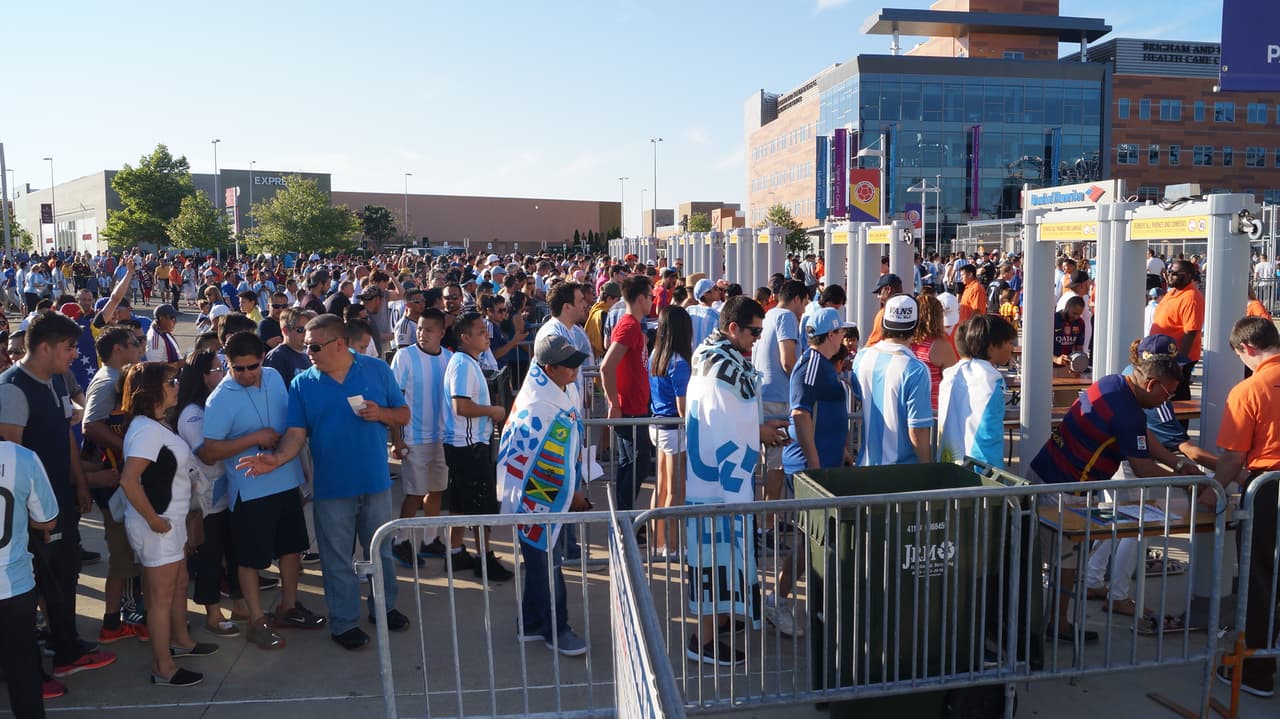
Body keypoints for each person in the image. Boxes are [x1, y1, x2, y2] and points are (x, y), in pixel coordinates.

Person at [236, 314, 411, 651]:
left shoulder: (376, 369)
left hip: (375, 482)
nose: (308, 350)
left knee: (381, 553)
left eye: (314, 345)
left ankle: (384, 608)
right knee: (336, 560)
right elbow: (295, 435)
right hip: (331, 489)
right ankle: (344, 623)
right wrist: (276, 459)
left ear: (339, 344)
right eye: (305, 343)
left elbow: (403, 414)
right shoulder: (303, 384)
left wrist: (383, 415)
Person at [1028, 334, 1191, 640]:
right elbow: (1142, 466)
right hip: (1064, 487)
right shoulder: (1127, 412)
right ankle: (1055, 624)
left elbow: (1143, 436)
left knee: (1054, 558)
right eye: (1167, 395)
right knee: (1065, 561)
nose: (1166, 402)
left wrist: (1180, 465)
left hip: (1047, 472)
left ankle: (1046, 621)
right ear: (1152, 384)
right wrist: (1188, 484)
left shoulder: (1113, 383)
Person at [0, 312, 117, 681]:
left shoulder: (58, 381)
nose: (74, 355)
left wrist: (80, 483)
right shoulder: (13, 389)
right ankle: (46, 660)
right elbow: (10, 459)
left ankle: (66, 644)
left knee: (64, 575)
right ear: (45, 347)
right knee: (39, 582)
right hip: (32, 516)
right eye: (69, 348)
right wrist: (32, 517)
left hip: (60, 501)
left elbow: (67, 436)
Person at [683, 296, 789, 666]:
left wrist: (759, 428)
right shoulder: (720, 364)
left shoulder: (712, 355)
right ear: (733, 329)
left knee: (723, 557)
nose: (758, 339)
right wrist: (760, 431)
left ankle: (720, 621)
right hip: (716, 482)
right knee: (717, 557)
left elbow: (732, 414)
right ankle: (703, 640)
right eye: (753, 332)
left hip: (714, 476)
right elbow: (727, 418)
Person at [203, 332, 323, 651]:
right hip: (250, 491)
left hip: (286, 480)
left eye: (251, 366)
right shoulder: (219, 398)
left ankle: (288, 607)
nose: (245, 374)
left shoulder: (273, 377)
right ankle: (257, 621)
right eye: (236, 368)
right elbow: (209, 451)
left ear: (262, 360)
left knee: (291, 549)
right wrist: (254, 437)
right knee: (250, 559)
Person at [117, 362, 217, 687]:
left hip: (170, 522)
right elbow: (129, 481)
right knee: (160, 597)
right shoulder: (146, 429)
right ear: (151, 391)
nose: (177, 385)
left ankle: (182, 641)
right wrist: (154, 520)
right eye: (171, 381)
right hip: (157, 526)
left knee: (177, 585)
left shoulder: (157, 425)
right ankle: (163, 666)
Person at [496, 333, 592, 657]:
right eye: (568, 366)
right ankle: (556, 628)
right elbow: (542, 460)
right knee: (547, 564)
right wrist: (572, 494)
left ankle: (532, 622)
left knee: (541, 561)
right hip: (538, 495)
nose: (575, 370)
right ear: (549, 367)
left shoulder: (552, 388)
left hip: (544, 493)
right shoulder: (540, 403)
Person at [1201, 317, 1280, 697]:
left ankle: (1256, 672)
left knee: (1260, 580)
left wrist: (1210, 493)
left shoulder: (1249, 390)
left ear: (1247, 350)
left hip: (1268, 490)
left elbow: (1232, 459)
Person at [774, 307, 851, 636]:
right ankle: (777, 601)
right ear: (831, 335)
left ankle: (795, 601)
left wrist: (842, 451)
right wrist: (815, 462)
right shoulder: (812, 365)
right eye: (840, 333)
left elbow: (824, 413)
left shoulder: (820, 365)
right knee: (808, 541)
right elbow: (800, 413)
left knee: (816, 540)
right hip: (810, 468)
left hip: (823, 464)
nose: (843, 338)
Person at [81, 326, 148, 645]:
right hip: (114, 483)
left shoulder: (119, 377)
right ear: (119, 350)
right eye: (135, 343)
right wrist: (130, 449)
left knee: (133, 554)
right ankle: (115, 621)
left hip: (122, 479)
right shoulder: (109, 380)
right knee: (123, 556)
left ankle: (131, 613)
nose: (141, 347)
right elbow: (91, 426)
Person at [174, 349, 245, 639]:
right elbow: (208, 455)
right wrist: (246, 439)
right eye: (217, 369)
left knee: (235, 551)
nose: (222, 373)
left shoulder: (216, 403)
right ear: (202, 376)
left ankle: (240, 604)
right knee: (211, 555)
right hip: (208, 497)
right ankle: (213, 613)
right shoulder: (192, 413)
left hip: (229, 490)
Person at [440, 311, 514, 579]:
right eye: (481, 332)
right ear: (465, 337)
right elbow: (461, 406)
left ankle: (455, 552)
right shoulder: (461, 364)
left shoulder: (468, 361)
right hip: (468, 445)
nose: (486, 335)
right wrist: (493, 411)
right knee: (482, 505)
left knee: (461, 502)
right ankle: (485, 559)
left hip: (466, 443)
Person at [388, 309, 453, 567]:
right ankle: (401, 540)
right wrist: (397, 439)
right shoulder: (404, 357)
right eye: (419, 329)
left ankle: (430, 539)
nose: (422, 334)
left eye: (428, 330)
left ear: (440, 332)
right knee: (414, 494)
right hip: (413, 438)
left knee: (437, 489)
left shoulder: (449, 358)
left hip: (441, 438)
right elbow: (394, 401)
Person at [0, 437, 59, 716]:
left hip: (17, 584)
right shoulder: (22, 457)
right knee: (22, 670)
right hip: (15, 585)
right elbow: (47, 519)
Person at [850, 295, 933, 466]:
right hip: (901, 475)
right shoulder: (916, 369)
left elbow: (859, 396)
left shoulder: (862, 357)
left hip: (865, 464)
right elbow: (917, 430)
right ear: (915, 326)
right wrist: (928, 469)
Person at [599, 275, 654, 512]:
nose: (652, 301)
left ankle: (623, 516)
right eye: (650, 297)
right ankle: (624, 518)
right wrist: (614, 403)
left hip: (635, 406)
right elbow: (606, 366)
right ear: (641, 298)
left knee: (630, 462)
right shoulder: (629, 325)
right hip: (629, 409)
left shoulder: (631, 325)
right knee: (638, 463)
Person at [753, 279, 807, 521]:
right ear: (796, 299)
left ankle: (765, 520)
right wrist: (806, 383)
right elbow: (788, 360)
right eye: (804, 303)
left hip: (760, 397)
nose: (804, 309)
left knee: (765, 467)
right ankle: (768, 525)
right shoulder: (787, 318)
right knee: (777, 466)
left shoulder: (768, 315)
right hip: (779, 401)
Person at [937, 315, 1017, 468]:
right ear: (992, 346)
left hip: (949, 465)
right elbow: (989, 437)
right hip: (979, 473)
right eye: (1008, 342)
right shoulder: (991, 381)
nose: (1011, 348)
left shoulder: (953, 373)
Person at [648, 305, 692, 557]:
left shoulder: (655, 354)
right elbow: (683, 406)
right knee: (676, 490)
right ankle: (673, 546)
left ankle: (660, 542)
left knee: (662, 487)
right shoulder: (679, 362)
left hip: (658, 425)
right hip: (674, 429)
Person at [1148, 259, 1204, 402]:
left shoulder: (1191, 297)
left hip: (1177, 357)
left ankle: (1180, 424)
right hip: (1163, 355)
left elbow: (1191, 331)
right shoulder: (1173, 292)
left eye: (1174, 273)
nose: (1169, 275)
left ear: (1188, 276)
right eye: (1169, 272)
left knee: (1178, 395)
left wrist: (1180, 362)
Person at [909, 294, 959, 410]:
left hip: (907, 409)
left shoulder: (906, 343)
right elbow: (954, 383)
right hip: (932, 412)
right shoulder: (941, 346)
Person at [864, 273, 902, 346]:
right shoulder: (910, 311)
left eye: (879, 292)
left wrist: (860, 356)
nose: (878, 297)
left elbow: (873, 343)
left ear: (888, 289)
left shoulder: (885, 313)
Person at [1052, 296, 1086, 368]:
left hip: (1067, 367)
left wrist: (1079, 364)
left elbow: (1079, 347)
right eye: (1074, 313)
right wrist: (1056, 359)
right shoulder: (1053, 319)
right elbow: (1042, 348)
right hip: (1049, 366)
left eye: (1079, 314)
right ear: (1067, 307)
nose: (1076, 317)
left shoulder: (1080, 323)